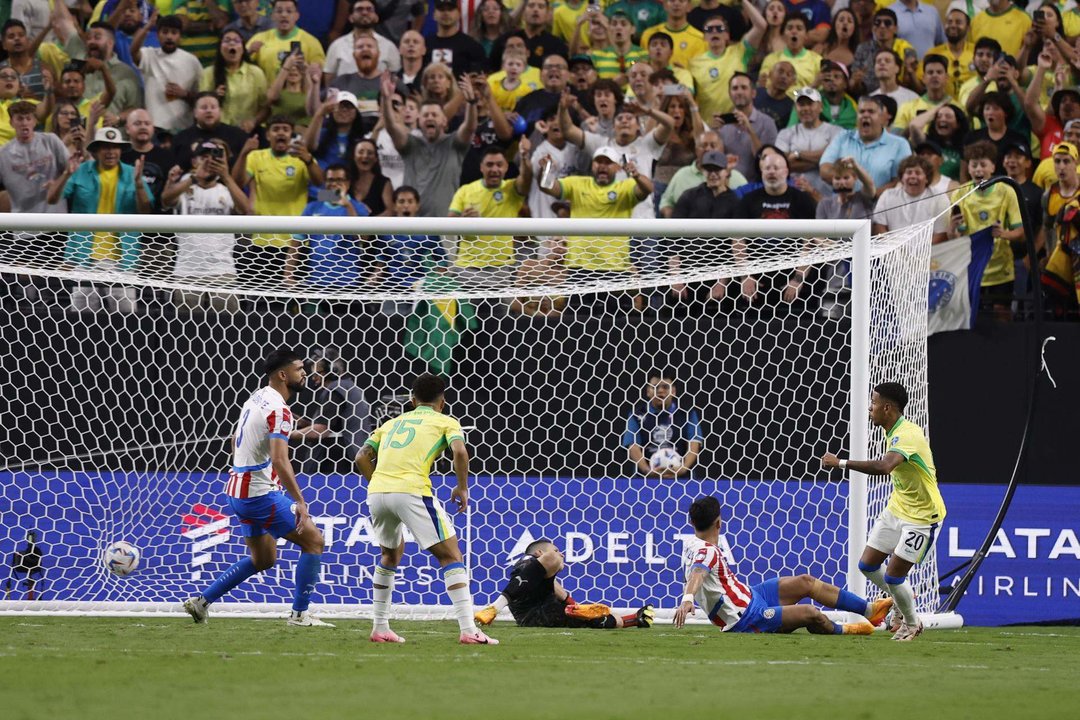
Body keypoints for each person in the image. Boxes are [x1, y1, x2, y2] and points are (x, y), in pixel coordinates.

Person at [183, 349, 332, 627]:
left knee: (263, 559)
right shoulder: (280, 409)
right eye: (300, 369)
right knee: (314, 542)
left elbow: (235, 438)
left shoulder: (257, 397)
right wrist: (299, 501)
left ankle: (202, 602)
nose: (305, 374)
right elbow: (280, 459)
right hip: (259, 494)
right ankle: (300, 615)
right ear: (283, 375)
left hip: (238, 491)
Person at [355, 373, 498, 645]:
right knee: (451, 555)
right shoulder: (446, 421)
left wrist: (380, 484)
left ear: (412, 400)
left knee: (389, 555)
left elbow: (361, 456)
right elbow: (460, 452)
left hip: (377, 492)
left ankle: (380, 628)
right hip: (411, 491)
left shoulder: (391, 422)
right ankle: (469, 630)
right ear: (442, 402)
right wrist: (462, 487)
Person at [821, 382, 945, 641]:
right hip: (898, 508)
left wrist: (840, 462)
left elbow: (884, 466)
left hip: (922, 518)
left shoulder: (908, 434)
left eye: (874, 403)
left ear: (887, 408)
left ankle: (912, 623)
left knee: (894, 575)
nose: (870, 408)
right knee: (867, 565)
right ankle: (904, 597)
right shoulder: (894, 431)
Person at [674, 496, 892, 635]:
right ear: (719, 523)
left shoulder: (690, 546)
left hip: (751, 595)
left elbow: (699, 571)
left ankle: (870, 610)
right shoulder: (708, 551)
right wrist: (687, 599)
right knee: (811, 613)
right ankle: (848, 630)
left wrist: (689, 596)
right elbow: (698, 573)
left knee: (805, 581)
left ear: (691, 523)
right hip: (746, 620)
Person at [473, 539, 655, 629]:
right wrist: (574, 605)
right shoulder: (527, 562)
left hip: (544, 611)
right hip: (536, 614)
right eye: (556, 550)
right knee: (602, 618)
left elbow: (554, 587)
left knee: (603, 614)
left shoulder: (535, 571)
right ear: (538, 552)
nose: (561, 554)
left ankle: (636, 619)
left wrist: (574, 606)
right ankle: (495, 607)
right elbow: (550, 565)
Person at [161, 140, 250, 313]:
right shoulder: (184, 186)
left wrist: (226, 176)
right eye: (204, 157)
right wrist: (194, 178)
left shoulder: (226, 190)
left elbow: (247, 209)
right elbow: (166, 200)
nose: (210, 162)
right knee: (186, 328)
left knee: (228, 327)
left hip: (223, 270)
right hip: (187, 271)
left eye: (214, 158)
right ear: (194, 161)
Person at [379, 71, 477, 216]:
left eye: (434, 115)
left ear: (444, 121)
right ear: (419, 121)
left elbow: (469, 127)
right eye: (425, 115)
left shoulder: (455, 143)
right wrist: (386, 100)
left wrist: (471, 103)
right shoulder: (410, 144)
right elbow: (391, 127)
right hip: (413, 225)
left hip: (446, 225)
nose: (429, 118)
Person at [448, 141, 533, 289]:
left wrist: (524, 157)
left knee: (501, 313)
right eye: (489, 165)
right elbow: (449, 224)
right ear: (481, 167)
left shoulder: (512, 190)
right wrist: (462, 221)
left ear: (506, 167)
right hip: (466, 268)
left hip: (500, 269)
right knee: (465, 313)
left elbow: (526, 179)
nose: (494, 169)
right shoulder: (465, 190)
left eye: (499, 164)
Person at [285, 163, 370, 292]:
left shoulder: (358, 207)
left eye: (339, 180)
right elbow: (296, 243)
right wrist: (288, 274)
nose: (334, 184)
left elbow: (363, 239)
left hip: (348, 283)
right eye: (330, 180)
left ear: (348, 183)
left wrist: (347, 206)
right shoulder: (312, 207)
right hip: (316, 282)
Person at [623, 369, 703, 478]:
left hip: (682, 481)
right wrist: (648, 471)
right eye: (655, 387)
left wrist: (683, 469)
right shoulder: (636, 415)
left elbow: (694, 444)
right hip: (644, 481)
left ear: (673, 391)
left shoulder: (687, 414)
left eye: (665, 387)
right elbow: (633, 446)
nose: (660, 391)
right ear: (648, 391)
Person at [820, 95, 911, 190]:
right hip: (845, 201)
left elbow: (900, 181)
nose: (865, 115)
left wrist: (872, 195)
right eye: (861, 111)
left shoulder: (899, 144)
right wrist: (846, 184)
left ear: (881, 117)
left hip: (881, 203)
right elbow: (825, 169)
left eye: (871, 112)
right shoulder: (842, 137)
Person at [131, 14, 203, 134]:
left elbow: (201, 97)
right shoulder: (149, 55)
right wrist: (148, 27)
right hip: (154, 128)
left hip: (184, 128)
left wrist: (184, 94)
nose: (169, 36)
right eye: (165, 32)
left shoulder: (192, 61)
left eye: (174, 33)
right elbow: (133, 51)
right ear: (158, 35)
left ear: (180, 36)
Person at [872, 155, 949, 243]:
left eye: (918, 173)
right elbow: (879, 227)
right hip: (892, 253)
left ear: (927, 178)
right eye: (909, 172)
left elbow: (941, 234)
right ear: (902, 178)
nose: (913, 176)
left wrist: (920, 253)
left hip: (930, 253)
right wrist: (894, 252)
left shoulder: (939, 198)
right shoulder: (887, 195)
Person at [246, 0, 326, 83]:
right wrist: (249, 52)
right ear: (273, 15)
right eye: (279, 11)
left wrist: (315, 68)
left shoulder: (311, 42)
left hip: (299, 95)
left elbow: (319, 68)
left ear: (297, 16)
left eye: (289, 11)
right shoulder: (259, 39)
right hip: (266, 94)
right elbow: (238, 64)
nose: (284, 15)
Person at [426, 0, 486, 77]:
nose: (446, 13)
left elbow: (479, 77)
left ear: (459, 14)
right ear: (434, 14)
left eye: (450, 10)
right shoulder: (425, 45)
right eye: (442, 9)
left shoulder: (472, 46)